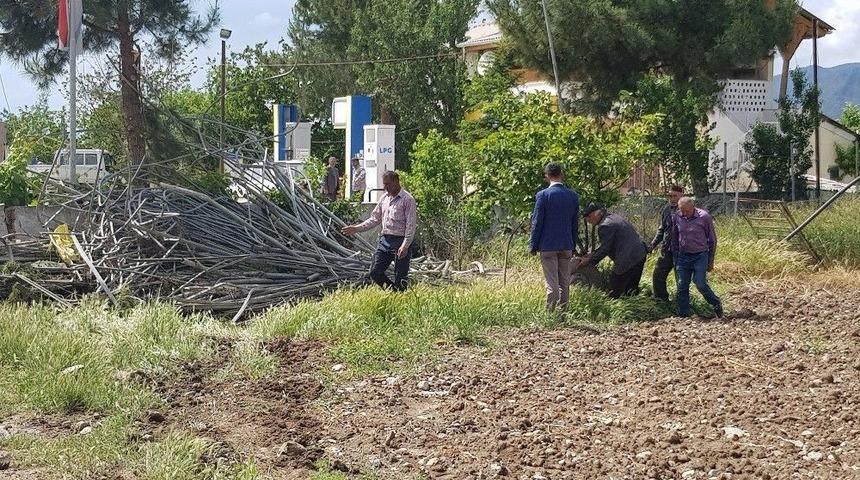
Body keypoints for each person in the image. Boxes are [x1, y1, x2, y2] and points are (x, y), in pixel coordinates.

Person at [342, 171, 417, 292]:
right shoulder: (384, 198)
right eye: (384, 184)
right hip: (385, 241)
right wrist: (356, 228)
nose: (385, 187)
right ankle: (394, 292)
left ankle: (400, 296)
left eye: (388, 184)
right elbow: (374, 219)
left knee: (400, 277)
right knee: (375, 272)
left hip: (400, 241)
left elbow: (411, 225)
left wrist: (405, 245)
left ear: (396, 182)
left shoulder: (407, 200)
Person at [529, 163, 580, 312]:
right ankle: (563, 314)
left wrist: (533, 245)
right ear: (561, 175)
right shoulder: (572, 196)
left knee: (552, 282)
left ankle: (550, 314)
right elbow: (574, 224)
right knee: (564, 282)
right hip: (566, 245)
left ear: (547, 176)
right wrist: (573, 244)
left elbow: (537, 222)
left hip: (548, 245)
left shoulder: (543, 195)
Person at [578, 203, 647, 298]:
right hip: (639, 254)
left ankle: (613, 310)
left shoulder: (605, 225)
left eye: (588, 217)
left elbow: (605, 249)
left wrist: (589, 260)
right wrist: (592, 254)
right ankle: (636, 308)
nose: (588, 221)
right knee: (631, 290)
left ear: (596, 214)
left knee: (613, 293)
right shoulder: (613, 217)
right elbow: (607, 245)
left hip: (627, 259)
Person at [671, 197, 723, 318]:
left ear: (693, 207)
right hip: (683, 256)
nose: (684, 214)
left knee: (700, 283)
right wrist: (676, 255)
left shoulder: (704, 217)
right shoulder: (677, 216)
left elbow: (712, 240)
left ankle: (716, 303)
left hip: (700, 255)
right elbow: (674, 236)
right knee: (682, 284)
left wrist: (710, 261)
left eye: (686, 211)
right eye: (681, 211)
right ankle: (684, 313)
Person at [650, 185, 684, 302]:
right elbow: (662, 229)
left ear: (681, 196)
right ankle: (661, 299)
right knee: (658, 274)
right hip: (667, 249)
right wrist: (653, 244)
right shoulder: (666, 209)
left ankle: (682, 303)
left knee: (681, 278)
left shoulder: (687, 210)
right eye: (670, 196)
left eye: (675, 196)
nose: (672, 198)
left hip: (681, 251)